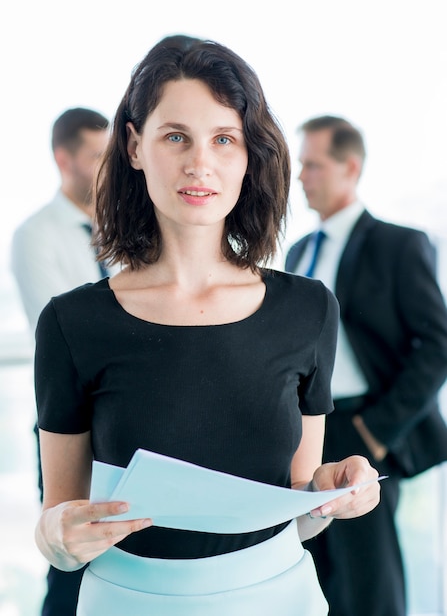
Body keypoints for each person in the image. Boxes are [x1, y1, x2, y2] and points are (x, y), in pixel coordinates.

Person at [33, 36, 380, 616]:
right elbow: (58, 525)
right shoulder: (73, 322)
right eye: (176, 137)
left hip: (279, 597)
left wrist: (336, 493)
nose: (200, 163)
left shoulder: (309, 309)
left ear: (249, 156)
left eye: (224, 139)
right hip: (126, 602)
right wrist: (60, 539)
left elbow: (299, 515)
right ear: (135, 146)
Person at [285, 115, 447, 616]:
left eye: (313, 165)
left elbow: (438, 343)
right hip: (305, 431)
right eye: (300, 165)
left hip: (364, 428)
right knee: (312, 571)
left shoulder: (397, 243)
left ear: (349, 167)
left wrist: (377, 431)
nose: (301, 177)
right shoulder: (297, 254)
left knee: (370, 581)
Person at [10, 107, 111, 616]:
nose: (106, 168)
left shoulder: (126, 231)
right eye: (96, 156)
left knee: (120, 559)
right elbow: (64, 339)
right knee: (71, 562)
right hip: (67, 424)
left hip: (121, 421)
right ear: (63, 158)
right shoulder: (35, 235)